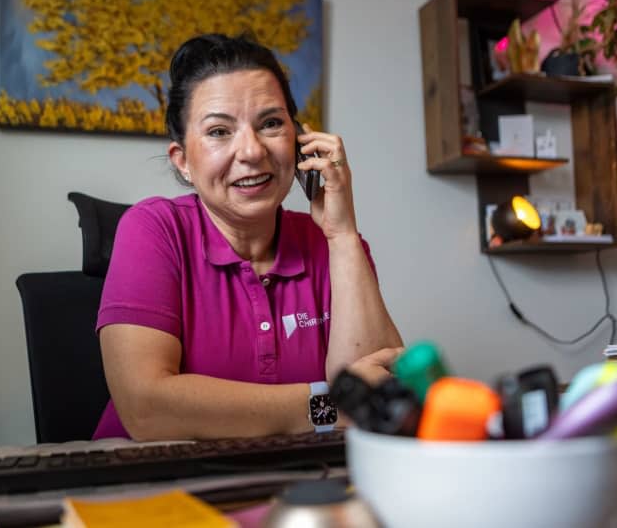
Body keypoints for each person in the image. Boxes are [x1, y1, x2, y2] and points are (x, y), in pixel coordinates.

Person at [93, 34, 402, 441]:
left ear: (300, 142)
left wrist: (342, 234)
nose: (252, 151)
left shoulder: (336, 245)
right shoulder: (152, 228)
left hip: (294, 485)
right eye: (220, 131)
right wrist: (322, 405)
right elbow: (147, 409)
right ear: (183, 161)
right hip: (151, 485)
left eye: (271, 123)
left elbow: (370, 404)